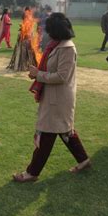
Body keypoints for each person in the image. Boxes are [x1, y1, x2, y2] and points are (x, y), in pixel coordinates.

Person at [13, 13, 90, 182]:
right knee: (65, 130)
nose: (45, 33)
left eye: (48, 29)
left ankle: (32, 172)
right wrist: (38, 74)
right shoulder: (56, 45)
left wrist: (38, 74)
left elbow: (62, 76)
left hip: (59, 98)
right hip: (55, 96)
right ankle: (84, 160)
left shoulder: (67, 48)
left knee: (47, 133)